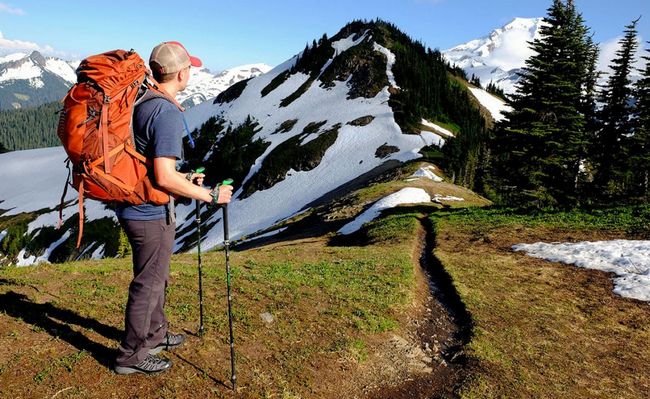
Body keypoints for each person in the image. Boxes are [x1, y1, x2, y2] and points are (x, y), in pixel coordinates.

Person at [113, 41, 233, 375]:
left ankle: (155, 333)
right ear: (181, 73)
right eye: (190, 67)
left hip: (137, 207)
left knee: (156, 277)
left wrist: (184, 178)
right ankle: (131, 356)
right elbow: (164, 177)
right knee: (148, 284)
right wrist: (209, 195)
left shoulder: (143, 100)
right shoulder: (165, 112)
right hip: (149, 214)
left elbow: (152, 166)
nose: (191, 72)